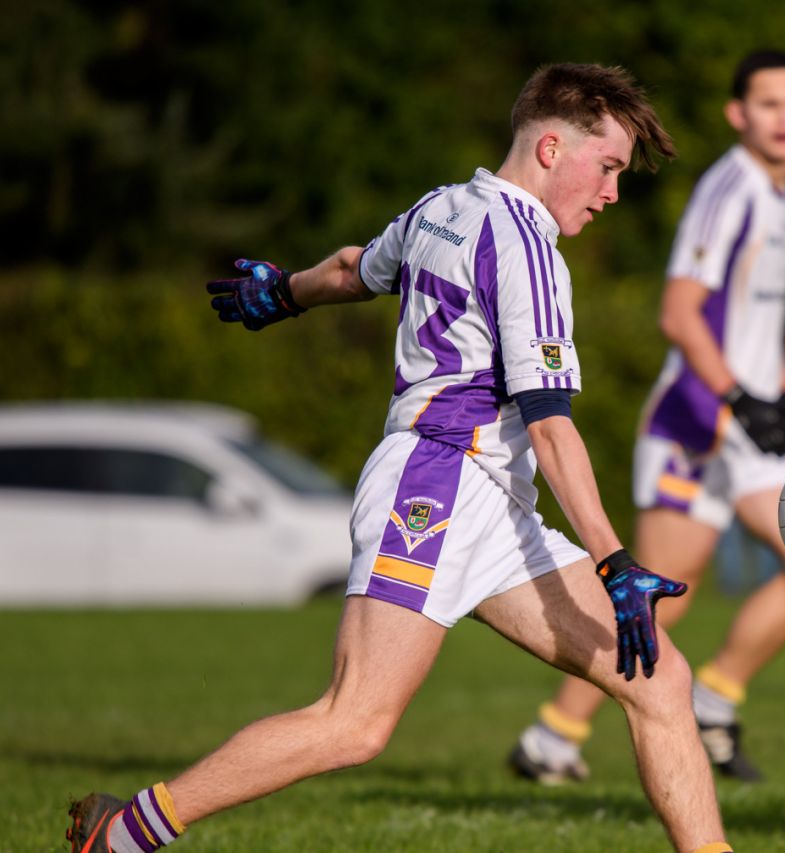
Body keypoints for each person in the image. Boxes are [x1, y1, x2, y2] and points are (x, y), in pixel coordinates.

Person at [65, 63, 738, 853]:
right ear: (553, 147)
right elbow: (552, 427)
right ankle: (121, 836)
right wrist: (615, 559)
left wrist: (285, 292)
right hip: (438, 483)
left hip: (487, 501)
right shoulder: (528, 247)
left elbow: (356, 268)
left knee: (660, 681)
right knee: (354, 723)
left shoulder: (443, 206)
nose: (612, 192)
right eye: (610, 167)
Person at [509, 49, 785, 786]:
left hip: (742, 423)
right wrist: (740, 398)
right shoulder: (733, 188)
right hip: (699, 421)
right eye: (768, 103)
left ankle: (557, 734)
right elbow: (680, 312)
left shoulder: (779, 198)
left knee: (681, 589)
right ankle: (688, 707)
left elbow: (752, 321)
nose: (784, 117)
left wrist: (782, 393)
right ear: (738, 115)